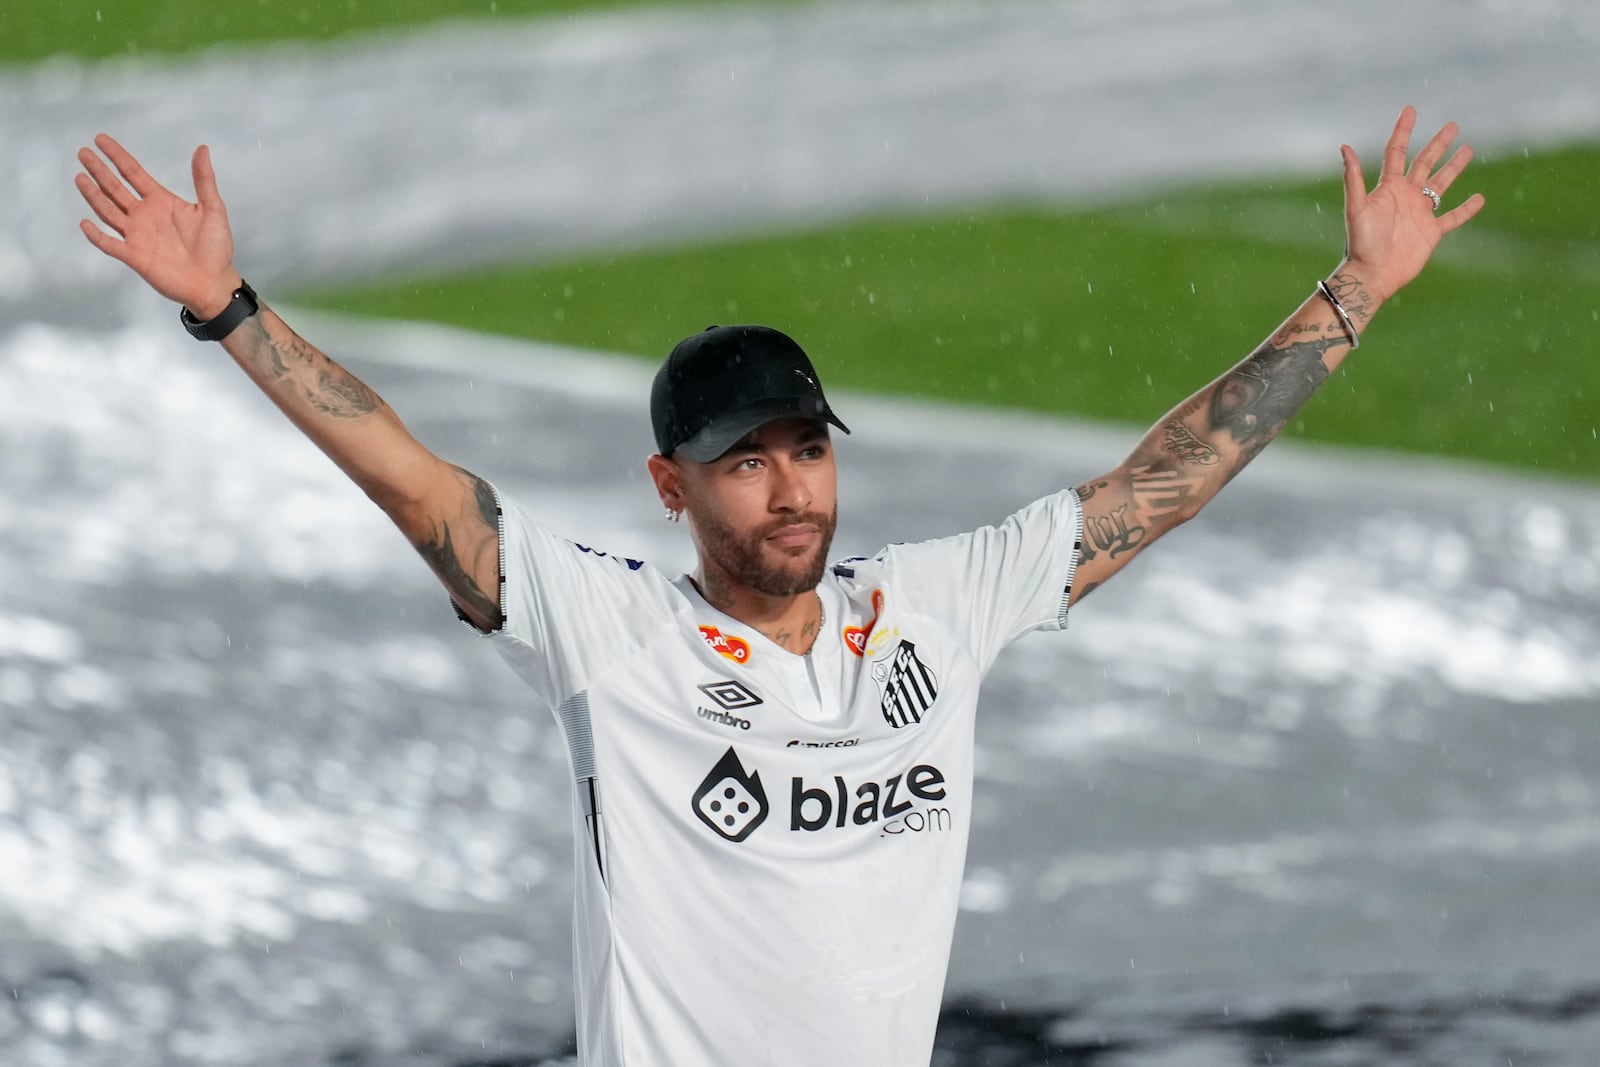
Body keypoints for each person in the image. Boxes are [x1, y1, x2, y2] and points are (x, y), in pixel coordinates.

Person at [74, 106, 1482, 1066]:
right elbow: (421, 488)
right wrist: (232, 313)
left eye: (806, 449)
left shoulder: (933, 608)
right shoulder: (612, 633)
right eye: (746, 464)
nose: (793, 486)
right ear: (671, 487)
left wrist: (1353, 294)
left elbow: (1155, 485)